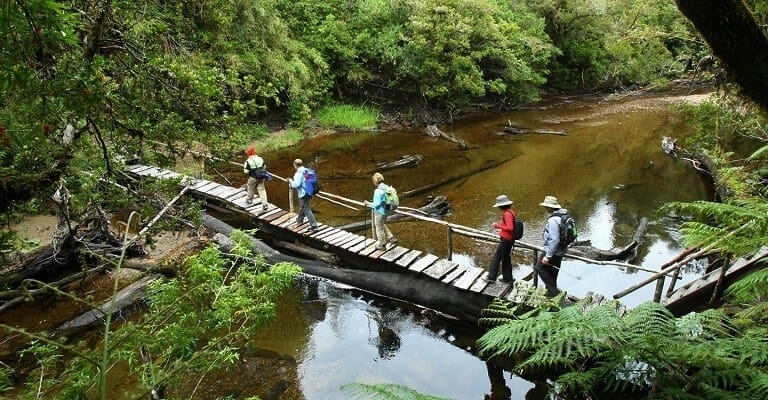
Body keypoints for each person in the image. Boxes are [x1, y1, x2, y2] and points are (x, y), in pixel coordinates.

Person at [534, 195, 567, 297]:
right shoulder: (564, 216)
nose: (545, 208)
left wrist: (548, 256)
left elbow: (554, 239)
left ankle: (555, 293)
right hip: (561, 250)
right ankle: (551, 296)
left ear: (551, 207)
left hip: (552, 251)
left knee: (539, 267)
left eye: (546, 206)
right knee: (553, 273)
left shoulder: (553, 220)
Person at [485, 195, 516, 283]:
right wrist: (500, 225)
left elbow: (510, 228)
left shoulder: (507, 214)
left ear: (501, 206)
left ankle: (491, 277)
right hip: (509, 239)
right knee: (506, 257)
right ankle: (508, 278)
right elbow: (508, 225)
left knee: (497, 257)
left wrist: (497, 226)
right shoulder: (511, 212)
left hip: (506, 240)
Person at [363, 172, 397, 251]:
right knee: (381, 224)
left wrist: (368, 203)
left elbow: (376, 205)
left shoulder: (378, 191)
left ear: (375, 181)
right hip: (387, 210)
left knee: (378, 227)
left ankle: (382, 244)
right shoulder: (387, 187)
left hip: (380, 212)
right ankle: (391, 238)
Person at [289, 158, 319, 231]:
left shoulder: (298, 173)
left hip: (304, 193)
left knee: (306, 209)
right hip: (310, 191)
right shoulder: (306, 170)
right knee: (304, 206)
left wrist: (290, 181)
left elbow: (296, 185)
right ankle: (300, 219)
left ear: (295, 165)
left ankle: (314, 226)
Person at [243, 146, 269, 210]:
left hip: (253, 178)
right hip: (261, 177)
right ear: (254, 152)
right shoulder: (260, 159)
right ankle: (265, 204)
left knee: (251, 188)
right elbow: (264, 166)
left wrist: (251, 170)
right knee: (262, 190)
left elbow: (245, 171)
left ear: (248, 154)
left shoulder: (247, 161)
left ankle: (249, 200)